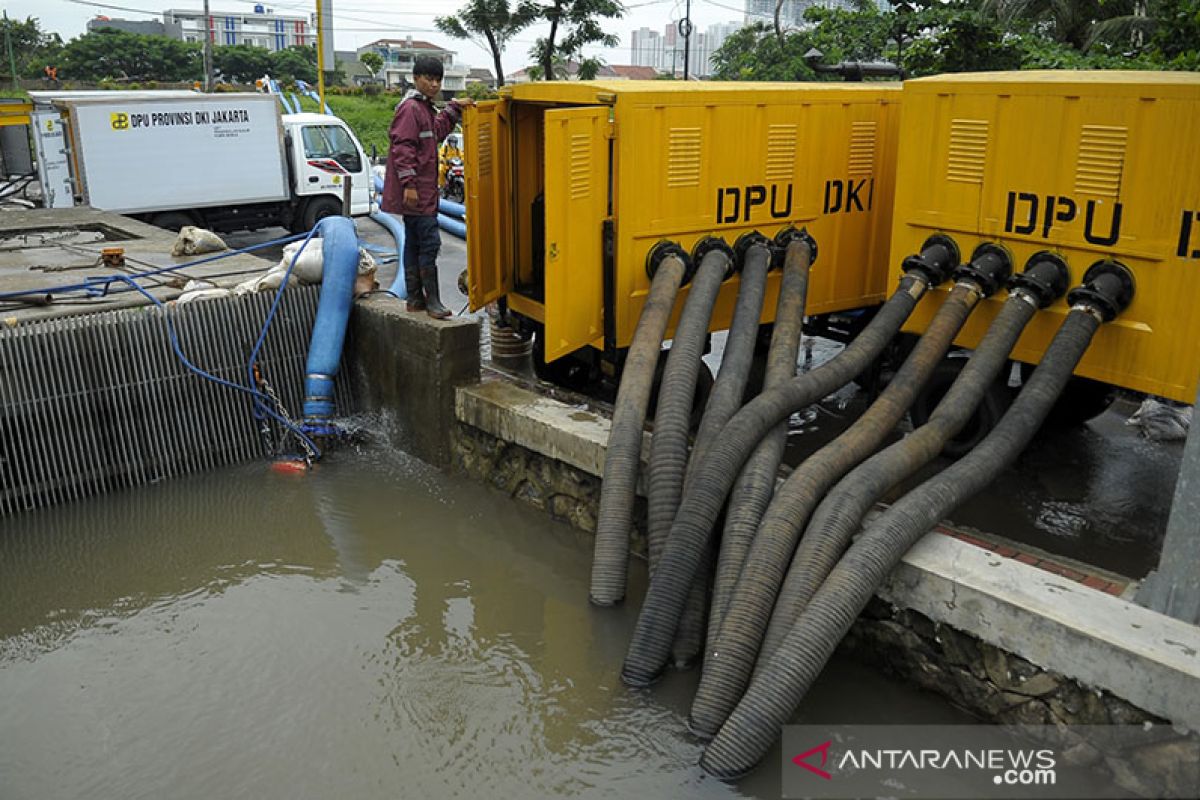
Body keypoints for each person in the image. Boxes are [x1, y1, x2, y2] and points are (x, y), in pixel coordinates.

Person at [382, 57, 473, 319]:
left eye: (438, 80)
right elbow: (403, 148)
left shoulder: (423, 108)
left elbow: (437, 132)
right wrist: (409, 185)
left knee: (413, 243)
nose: (434, 84)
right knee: (429, 243)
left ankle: (414, 299)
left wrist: (454, 108)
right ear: (416, 78)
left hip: (423, 193)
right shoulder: (411, 109)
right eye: (429, 79)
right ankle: (432, 301)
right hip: (417, 192)